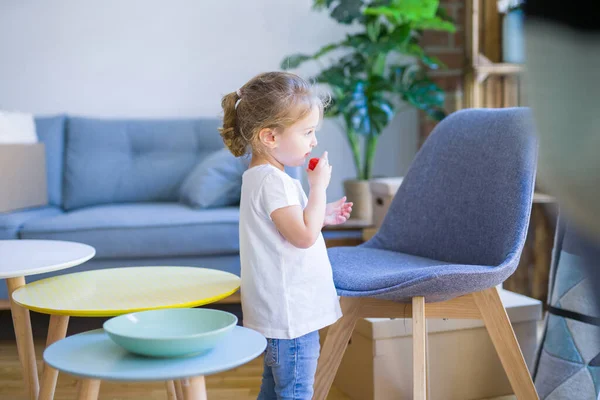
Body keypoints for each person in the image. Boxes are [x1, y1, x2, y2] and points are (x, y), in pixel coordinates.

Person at [219, 71, 353, 399]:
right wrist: (318, 188)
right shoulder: (274, 182)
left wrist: (322, 214)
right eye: (307, 132)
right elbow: (304, 237)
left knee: (274, 391)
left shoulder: (260, 177)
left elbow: (288, 230)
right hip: (292, 321)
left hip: (279, 318)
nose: (314, 141)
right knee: (294, 393)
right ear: (270, 137)